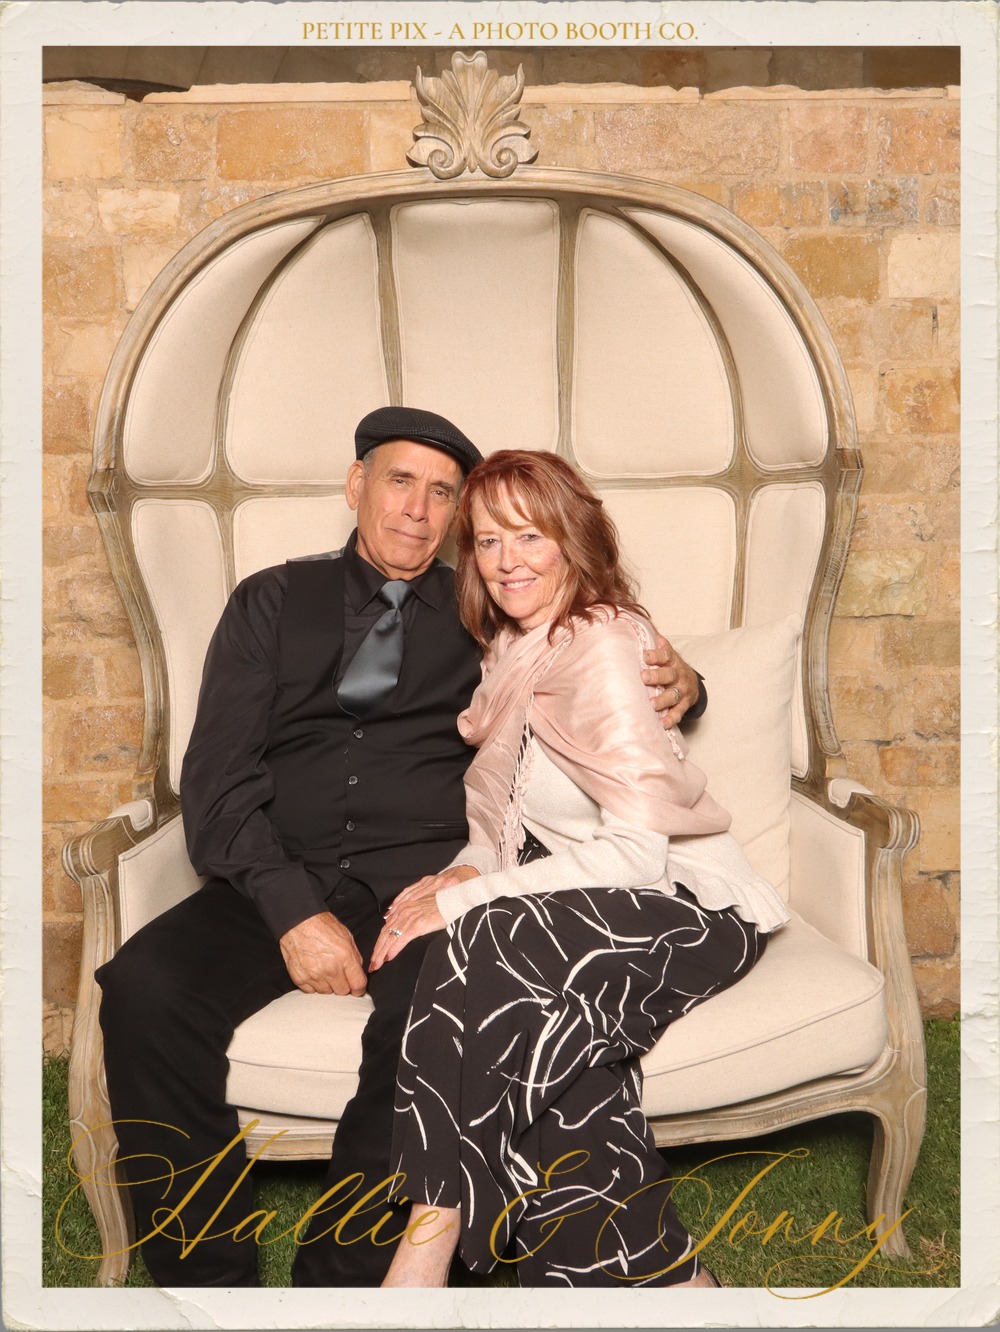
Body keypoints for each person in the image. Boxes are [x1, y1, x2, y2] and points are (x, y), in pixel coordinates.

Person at [95, 408, 704, 1289]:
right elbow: (217, 780)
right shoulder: (270, 602)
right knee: (144, 989)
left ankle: (343, 1284)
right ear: (357, 486)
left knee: (433, 1029)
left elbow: (589, 650)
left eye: (443, 493)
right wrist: (292, 912)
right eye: (399, 481)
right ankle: (207, 1288)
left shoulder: (488, 611)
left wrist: (688, 679)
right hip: (275, 874)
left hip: (421, 887)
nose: (418, 509)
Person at [371, 450, 790, 1289]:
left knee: (487, 939)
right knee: (559, 1041)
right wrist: (460, 878)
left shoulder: (601, 644)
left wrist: (467, 906)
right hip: (576, 909)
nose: (507, 560)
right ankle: (675, 1287)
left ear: (574, 539)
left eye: (530, 536)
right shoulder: (510, 651)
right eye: (488, 540)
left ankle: (427, 1244)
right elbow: (504, 826)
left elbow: (635, 854)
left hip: (681, 904)